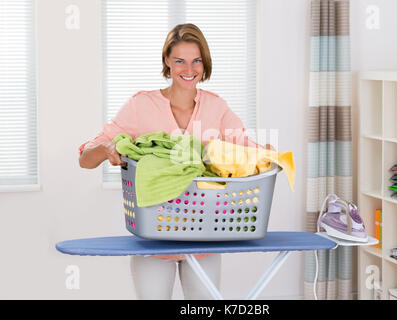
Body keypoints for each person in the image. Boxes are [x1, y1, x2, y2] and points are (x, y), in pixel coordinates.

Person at [78, 23, 272, 300]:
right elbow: (86, 158)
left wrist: (266, 152)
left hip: (206, 234)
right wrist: (106, 148)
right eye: (180, 60)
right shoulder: (140, 105)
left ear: (205, 63)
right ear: (167, 61)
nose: (189, 70)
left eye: (196, 61)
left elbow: (245, 146)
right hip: (153, 237)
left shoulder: (217, 107)